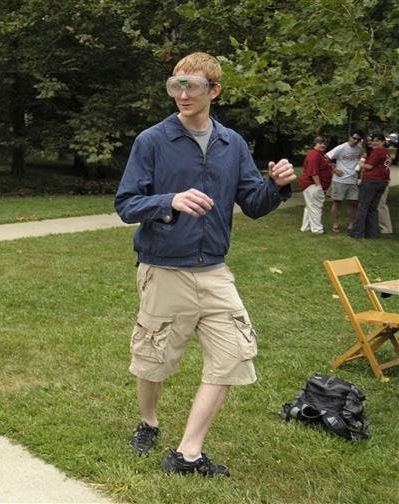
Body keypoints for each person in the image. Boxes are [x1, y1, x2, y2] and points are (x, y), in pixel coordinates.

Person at [114, 52, 295, 478]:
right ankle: (149, 421)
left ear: (214, 90)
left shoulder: (232, 144)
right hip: (164, 268)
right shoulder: (152, 140)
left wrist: (276, 186)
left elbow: (252, 203)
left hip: (213, 270)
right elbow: (126, 204)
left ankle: (187, 453)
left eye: (191, 86)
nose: (181, 95)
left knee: (233, 354)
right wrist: (168, 201)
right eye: (175, 85)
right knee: (153, 359)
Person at [350, 134, 391, 239]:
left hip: (371, 182)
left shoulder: (377, 151)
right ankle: (372, 234)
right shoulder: (386, 152)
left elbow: (369, 166)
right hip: (382, 182)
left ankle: (357, 233)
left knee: (362, 207)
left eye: (377, 140)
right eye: (373, 141)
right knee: (373, 209)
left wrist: (360, 163)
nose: (374, 143)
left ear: (383, 142)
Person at [326, 133, 364, 232]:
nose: (355, 140)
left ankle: (351, 225)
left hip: (353, 180)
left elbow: (362, 157)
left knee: (353, 203)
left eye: (358, 139)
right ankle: (335, 224)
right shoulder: (341, 148)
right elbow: (326, 157)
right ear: (350, 137)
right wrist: (334, 169)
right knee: (337, 202)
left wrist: (359, 170)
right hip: (340, 180)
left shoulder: (359, 148)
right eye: (354, 138)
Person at [298, 136, 333, 234]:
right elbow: (313, 173)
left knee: (310, 207)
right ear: (315, 144)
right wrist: (319, 187)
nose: (323, 145)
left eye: (324, 143)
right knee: (316, 207)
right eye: (320, 143)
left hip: (311, 185)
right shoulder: (314, 155)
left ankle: (306, 227)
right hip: (312, 185)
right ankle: (317, 229)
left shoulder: (319, 155)